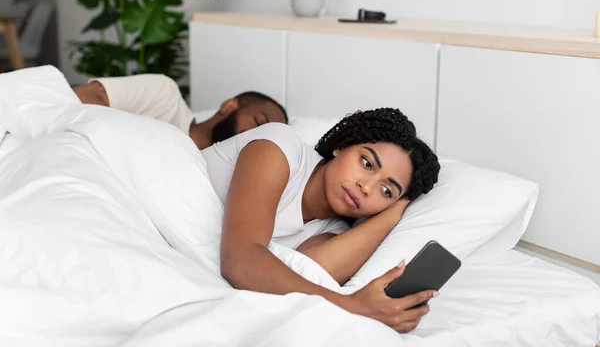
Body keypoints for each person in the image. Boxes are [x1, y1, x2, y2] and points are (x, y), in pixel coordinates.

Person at [202, 107, 441, 333]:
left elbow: (296, 279)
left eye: (386, 190)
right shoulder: (280, 146)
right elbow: (240, 262)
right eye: (366, 163)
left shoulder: (332, 234)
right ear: (341, 146)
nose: (366, 187)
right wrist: (351, 305)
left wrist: (395, 210)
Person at [73, 74, 288, 149]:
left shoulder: (211, 180)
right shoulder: (165, 97)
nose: (257, 136)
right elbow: (79, 97)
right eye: (259, 122)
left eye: (266, 136)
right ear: (229, 105)